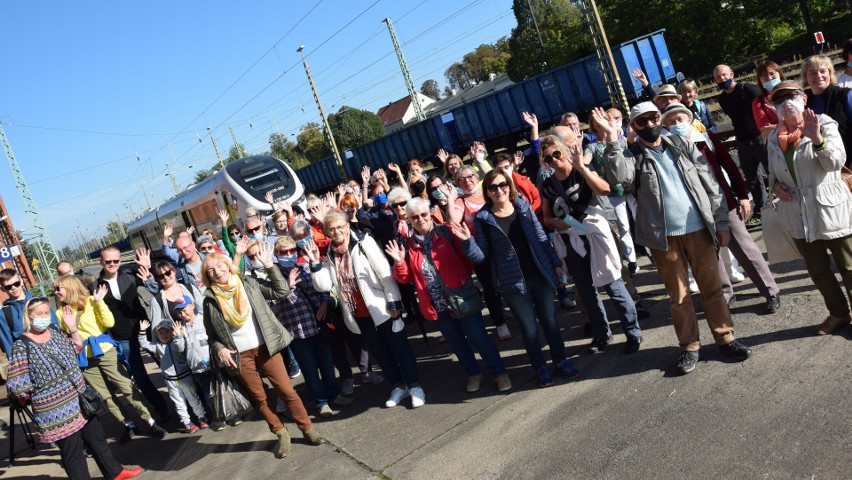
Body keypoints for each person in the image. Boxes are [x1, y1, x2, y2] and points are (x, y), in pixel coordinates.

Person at [597, 102, 753, 375]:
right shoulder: (631, 155)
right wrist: (612, 140)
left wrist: (721, 223)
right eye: (641, 122)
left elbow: (711, 184)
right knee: (679, 296)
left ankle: (725, 338)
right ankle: (690, 346)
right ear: (633, 126)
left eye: (653, 118)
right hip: (663, 239)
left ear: (660, 118)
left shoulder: (682, 145)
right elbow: (620, 178)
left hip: (699, 230)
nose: (649, 124)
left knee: (712, 288)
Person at [461, 169, 581, 386]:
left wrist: (554, 262)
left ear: (509, 185)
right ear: (487, 192)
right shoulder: (483, 218)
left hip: (539, 273)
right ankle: (540, 367)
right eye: (493, 187)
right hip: (512, 283)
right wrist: (466, 241)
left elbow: (541, 236)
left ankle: (561, 361)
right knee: (529, 329)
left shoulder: (522, 206)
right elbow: (481, 256)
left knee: (551, 322)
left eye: (502, 184)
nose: (499, 190)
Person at [201, 247, 323, 459]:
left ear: (228, 265)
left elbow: (281, 291)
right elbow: (212, 336)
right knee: (260, 397)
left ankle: (307, 428)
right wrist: (220, 349)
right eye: (210, 270)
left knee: (286, 390)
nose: (216, 271)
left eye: (219, 265)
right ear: (207, 276)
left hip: (265, 346)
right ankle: (281, 432)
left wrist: (269, 265)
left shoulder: (248, 283)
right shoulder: (210, 300)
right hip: (239, 355)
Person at [661, 102, 781, 313]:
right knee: (709, 255)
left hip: (723, 201)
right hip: (694, 209)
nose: (676, 124)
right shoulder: (667, 148)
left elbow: (730, 166)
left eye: (680, 119)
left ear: (689, 120)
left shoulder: (705, 139)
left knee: (744, 247)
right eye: (671, 122)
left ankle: (770, 291)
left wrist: (742, 195)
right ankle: (724, 295)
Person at [7, 297, 144, 480]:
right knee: (73, 454)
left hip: (81, 400)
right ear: (29, 316)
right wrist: (37, 393)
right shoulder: (21, 345)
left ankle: (115, 472)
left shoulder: (55, 331)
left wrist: (72, 328)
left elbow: (78, 349)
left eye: (47, 312)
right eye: (39, 314)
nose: (44, 316)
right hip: (56, 411)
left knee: (97, 439)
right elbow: (16, 385)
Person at [386, 197, 511, 393]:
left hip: (461, 298)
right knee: (457, 342)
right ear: (408, 219)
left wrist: (459, 279)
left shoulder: (446, 231)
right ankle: (473, 374)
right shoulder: (409, 245)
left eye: (424, 214)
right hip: (437, 305)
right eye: (414, 217)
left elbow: (469, 261)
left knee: (479, 338)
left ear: (430, 213)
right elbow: (406, 279)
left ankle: (500, 373)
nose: (420, 219)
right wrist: (400, 263)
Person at [309, 210, 425, 409]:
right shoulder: (329, 253)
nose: (337, 232)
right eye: (332, 229)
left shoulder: (363, 242)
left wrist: (395, 302)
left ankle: (415, 386)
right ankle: (398, 386)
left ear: (347, 226)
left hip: (381, 306)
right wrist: (315, 264)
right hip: (358, 314)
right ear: (326, 232)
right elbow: (324, 286)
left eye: (340, 226)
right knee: (380, 353)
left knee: (399, 348)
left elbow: (384, 272)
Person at [538, 135, 642, 355]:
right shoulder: (548, 185)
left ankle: (633, 332)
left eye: (557, 154)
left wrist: (583, 169)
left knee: (613, 285)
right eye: (548, 158)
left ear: (565, 151)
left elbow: (604, 189)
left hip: (596, 235)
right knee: (586, 290)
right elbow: (545, 217)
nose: (554, 160)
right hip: (571, 238)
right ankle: (602, 333)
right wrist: (555, 223)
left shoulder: (581, 169)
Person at [766, 80, 852, 335]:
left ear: (803, 99)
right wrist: (774, 186)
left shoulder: (823, 123)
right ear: (775, 107)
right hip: (797, 212)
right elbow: (772, 172)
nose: (786, 103)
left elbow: (837, 162)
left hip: (829, 207)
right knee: (818, 270)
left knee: (848, 266)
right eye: (779, 100)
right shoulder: (773, 137)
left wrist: (817, 140)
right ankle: (839, 313)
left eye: (791, 96)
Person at [54, 275, 167, 442]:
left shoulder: (93, 300)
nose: (55, 292)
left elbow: (109, 322)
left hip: (105, 351)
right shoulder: (60, 312)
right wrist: (71, 328)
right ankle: (128, 424)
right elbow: (71, 337)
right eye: (54, 289)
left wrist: (99, 302)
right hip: (84, 358)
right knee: (105, 395)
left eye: (59, 289)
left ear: (70, 287)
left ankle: (150, 420)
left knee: (126, 387)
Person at [271, 235, 353, 418]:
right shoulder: (274, 276)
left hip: (317, 325)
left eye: (292, 250)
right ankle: (321, 402)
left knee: (326, 364)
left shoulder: (304, 267)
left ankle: (333, 395)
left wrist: (324, 303)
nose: (289, 254)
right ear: (277, 254)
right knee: (310, 370)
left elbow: (323, 288)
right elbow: (272, 304)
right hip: (296, 331)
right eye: (284, 252)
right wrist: (287, 287)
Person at [93, 246, 170, 422]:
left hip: (145, 327)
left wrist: (148, 267)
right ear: (101, 262)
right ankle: (161, 408)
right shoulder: (95, 286)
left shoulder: (130, 274)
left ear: (120, 261)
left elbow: (156, 287)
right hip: (122, 335)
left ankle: (184, 400)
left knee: (167, 363)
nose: (112, 264)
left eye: (116, 261)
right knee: (140, 376)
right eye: (108, 261)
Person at [452, 165, 511, 341]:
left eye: (470, 176)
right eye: (461, 179)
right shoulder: (460, 202)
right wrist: (450, 198)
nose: (467, 181)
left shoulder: (489, 191)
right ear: (457, 183)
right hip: (481, 250)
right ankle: (500, 323)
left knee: (511, 281)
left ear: (476, 176)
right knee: (490, 288)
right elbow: (453, 221)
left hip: (502, 243)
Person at [714, 64, 768, 217]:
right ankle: (762, 208)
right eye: (718, 77)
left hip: (759, 136)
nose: (722, 79)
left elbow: (763, 107)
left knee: (773, 170)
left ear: (731, 74)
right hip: (742, 141)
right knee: (752, 178)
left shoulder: (748, 89)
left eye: (724, 75)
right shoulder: (722, 99)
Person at [138, 318, 209, 434]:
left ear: (172, 332)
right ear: (157, 334)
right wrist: (142, 331)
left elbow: (180, 344)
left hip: (185, 377)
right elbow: (144, 343)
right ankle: (187, 422)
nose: (164, 335)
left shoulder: (177, 343)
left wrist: (178, 335)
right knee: (179, 402)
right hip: (171, 381)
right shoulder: (157, 346)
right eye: (161, 333)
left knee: (193, 398)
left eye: (167, 332)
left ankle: (201, 417)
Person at [801, 55, 852, 164]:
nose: (818, 76)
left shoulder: (845, 95)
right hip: (819, 164)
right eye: (812, 72)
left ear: (830, 73)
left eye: (823, 71)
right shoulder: (803, 102)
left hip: (847, 161)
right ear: (806, 77)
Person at [1, 269, 59, 355]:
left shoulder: (40, 302)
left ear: (21, 281)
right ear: (2, 289)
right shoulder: (4, 314)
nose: (13, 287)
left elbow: (55, 326)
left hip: (54, 349)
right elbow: (9, 346)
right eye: (8, 287)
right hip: (30, 358)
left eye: (16, 284)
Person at [753, 60, 785, 138]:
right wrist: (789, 124)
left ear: (779, 74)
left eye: (772, 73)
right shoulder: (758, 102)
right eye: (764, 76)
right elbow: (765, 131)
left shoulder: (793, 92)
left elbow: (801, 119)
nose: (769, 78)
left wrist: (777, 127)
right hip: (779, 145)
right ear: (760, 80)